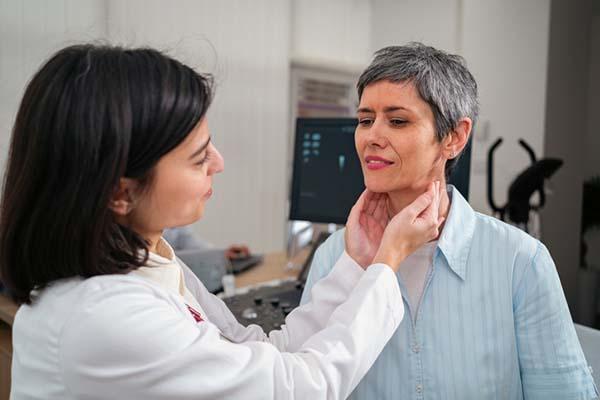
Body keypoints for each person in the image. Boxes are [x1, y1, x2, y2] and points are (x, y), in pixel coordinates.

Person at [0, 44, 444, 399]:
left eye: (399, 120)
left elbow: (257, 353)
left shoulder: (147, 259)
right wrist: (387, 264)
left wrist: (358, 265)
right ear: (120, 191)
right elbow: (299, 387)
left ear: (454, 137)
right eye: (198, 158)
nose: (219, 162)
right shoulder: (105, 317)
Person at [301, 43, 599, 399]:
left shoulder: (520, 262)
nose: (372, 137)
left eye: (397, 120)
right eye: (365, 120)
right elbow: (303, 381)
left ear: (455, 137)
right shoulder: (334, 258)